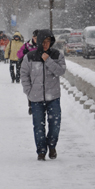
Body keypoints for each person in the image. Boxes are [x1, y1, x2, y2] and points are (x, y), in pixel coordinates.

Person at [20, 29, 66, 161]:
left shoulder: (57, 55)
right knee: (39, 126)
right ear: (39, 41)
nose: (46, 44)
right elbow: (24, 74)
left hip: (53, 97)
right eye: (43, 41)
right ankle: (41, 150)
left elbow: (61, 71)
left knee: (55, 125)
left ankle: (52, 146)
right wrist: (28, 91)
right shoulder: (30, 56)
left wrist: (48, 60)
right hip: (36, 98)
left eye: (48, 41)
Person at [17, 30, 38, 114]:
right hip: (29, 70)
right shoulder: (27, 45)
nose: (37, 39)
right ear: (33, 37)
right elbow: (18, 55)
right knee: (30, 88)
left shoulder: (44, 46)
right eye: (36, 38)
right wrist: (24, 52)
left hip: (40, 70)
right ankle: (31, 105)